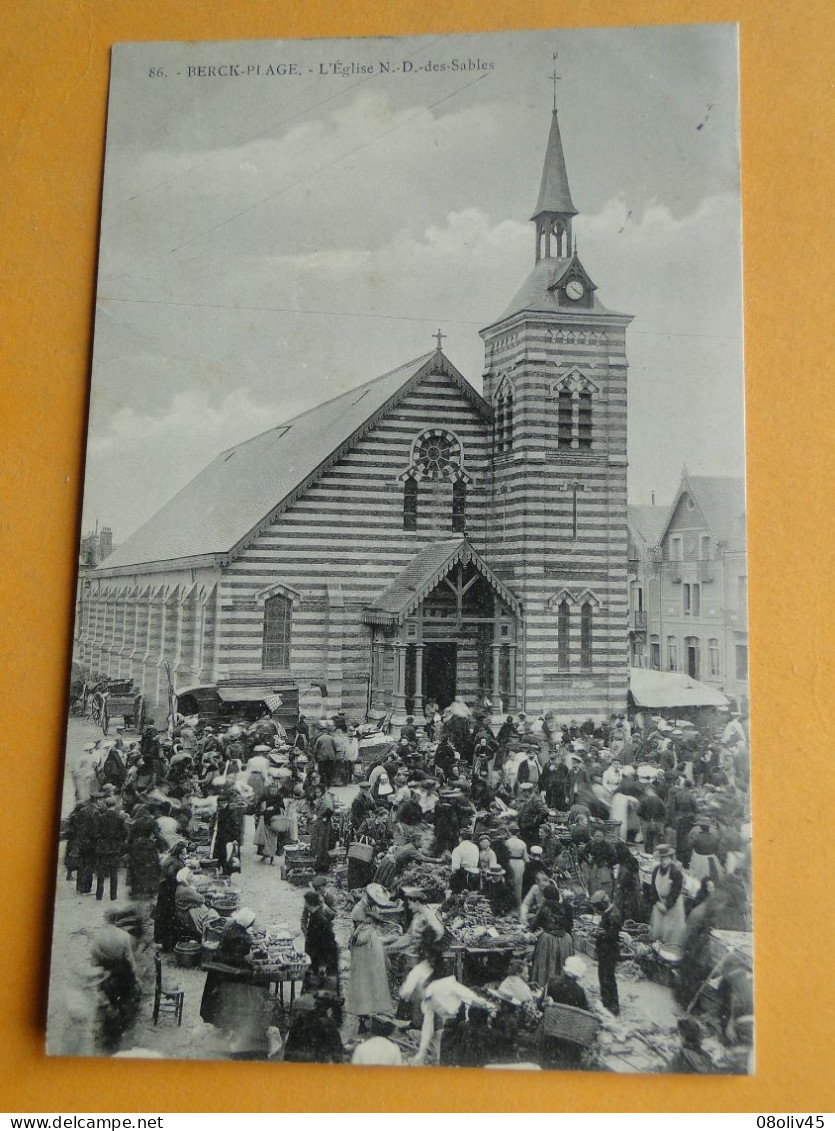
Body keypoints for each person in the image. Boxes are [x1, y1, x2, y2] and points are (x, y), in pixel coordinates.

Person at [89, 907, 142, 1054]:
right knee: (125, 1000)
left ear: (106, 919)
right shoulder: (124, 936)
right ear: (117, 920)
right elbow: (129, 959)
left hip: (104, 975)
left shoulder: (98, 936)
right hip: (120, 975)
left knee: (106, 1004)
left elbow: (93, 957)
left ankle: (104, 1033)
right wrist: (135, 975)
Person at [346, 886, 395, 1029]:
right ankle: (362, 1017)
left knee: (373, 979)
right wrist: (371, 928)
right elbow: (357, 937)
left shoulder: (369, 908)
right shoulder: (358, 910)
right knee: (363, 983)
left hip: (370, 948)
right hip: (362, 951)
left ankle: (371, 1011)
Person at [540, 955, 590, 1069]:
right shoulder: (579, 991)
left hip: (550, 1030)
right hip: (568, 1034)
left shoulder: (551, 983)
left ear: (565, 970)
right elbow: (583, 1014)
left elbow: (540, 1005)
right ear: (577, 976)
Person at [283, 990, 344, 1064]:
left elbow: (288, 1049)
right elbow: (337, 1055)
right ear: (329, 1009)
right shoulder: (329, 1025)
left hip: (297, 1063)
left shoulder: (301, 1019)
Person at [530, 891, 575, 988]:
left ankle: (544, 985)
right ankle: (562, 985)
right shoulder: (567, 907)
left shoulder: (544, 908)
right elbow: (570, 926)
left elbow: (535, 926)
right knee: (561, 963)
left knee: (546, 963)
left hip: (548, 939)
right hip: (565, 939)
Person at [649, 844, 687, 950]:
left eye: (666, 858)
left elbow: (676, 891)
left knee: (672, 935)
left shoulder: (676, 872)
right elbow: (653, 888)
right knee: (658, 933)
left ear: (670, 858)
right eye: (661, 859)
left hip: (673, 906)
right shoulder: (656, 870)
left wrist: (666, 906)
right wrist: (657, 902)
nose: (663, 861)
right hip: (660, 903)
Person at [590, 890, 622, 1016]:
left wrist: (600, 934)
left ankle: (613, 1005)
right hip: (604, 951)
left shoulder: (613, 915)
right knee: (603, 976)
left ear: (603, 904)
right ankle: (606, 1001)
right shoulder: (608, 913)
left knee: (608, 977)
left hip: (609, 951)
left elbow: (613, 935)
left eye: (598, 907)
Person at [125, 804, 163, 899]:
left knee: (137, 869)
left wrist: (129, 849)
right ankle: (151, 891)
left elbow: (130, 838)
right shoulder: (152, 821)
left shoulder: (136, 823)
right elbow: (158, 836)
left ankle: (136, 891)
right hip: (149, 847)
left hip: (137, 847)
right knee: (151, 869)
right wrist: (161, 848)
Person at [94, 796, 127, 902]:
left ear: (106, 805)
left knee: (101, 873)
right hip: (115, 849)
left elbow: (95, 833)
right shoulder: (120, 817)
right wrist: (119, 840)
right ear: (115, 805)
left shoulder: (101, 817)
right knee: (114, 873)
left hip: (102, 849)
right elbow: (125, 832)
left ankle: (99, 895)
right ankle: (113, 896)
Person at [303, 892, 340, 986]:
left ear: (309, 903)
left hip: (321, 960)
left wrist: (323, 964)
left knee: (320, 988)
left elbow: (327, 943)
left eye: (305, 902)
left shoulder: (320, 918)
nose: (304, 904)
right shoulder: (315, 914)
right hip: (316, 957)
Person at [174, 867, 218, 940]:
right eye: (190, 875)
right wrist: (207, 897)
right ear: (185, 877)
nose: (192, 876)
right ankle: (207, 934)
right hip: (189, 914)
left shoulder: (181, 887)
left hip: (184, 911)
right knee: (212, 914)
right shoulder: (186, 890)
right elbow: (200, 899)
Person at [253, 786, 286, 865]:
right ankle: (264, 855)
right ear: (269, 790)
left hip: (275, 821)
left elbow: (282, 808)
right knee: (264, 839)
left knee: (272, 840)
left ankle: (272, 857)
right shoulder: (264, 797)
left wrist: (273, 808)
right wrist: (259, 812)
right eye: (271, 789)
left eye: (274, 789)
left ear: (276, 790)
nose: (273, 791)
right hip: (265, 820)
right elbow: (258, 807)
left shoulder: (279, 797)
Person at [309, 785, 336, 873]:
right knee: (317, 844)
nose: (317, 794)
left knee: (323, 844)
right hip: (319, 824)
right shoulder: (320, 799)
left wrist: (325, 818)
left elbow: (330, 810)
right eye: (316, 792)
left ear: (322, 792)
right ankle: (319, 863)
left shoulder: (326, 799)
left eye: (319, 792)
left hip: (324, 825)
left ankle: (323, 866)